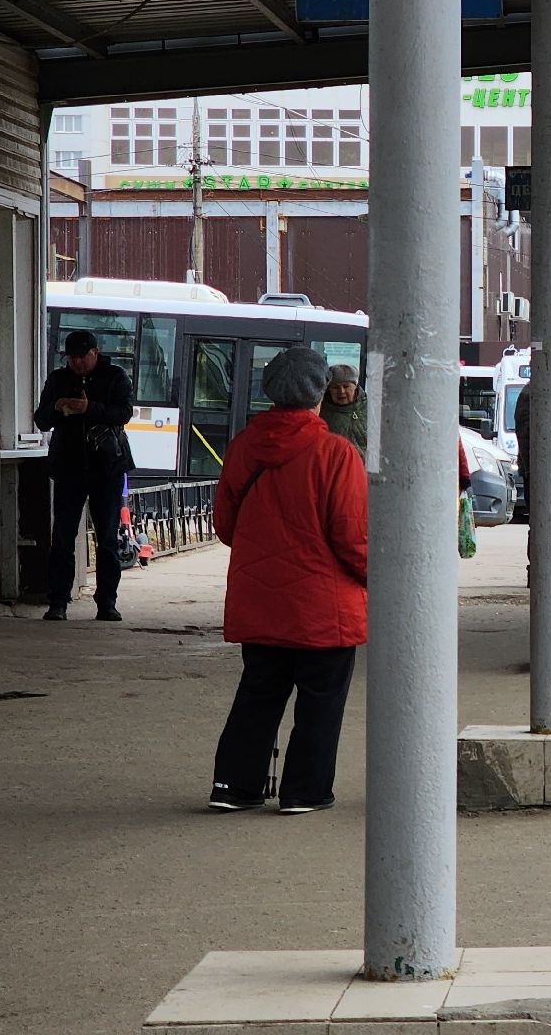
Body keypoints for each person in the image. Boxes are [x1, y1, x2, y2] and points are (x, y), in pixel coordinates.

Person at [208, 347, 368, 815]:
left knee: (258, 692)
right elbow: (353, 536)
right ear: (319, 395)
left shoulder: (242, 447)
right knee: (321, 701)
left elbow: (225, 526)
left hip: (260, 600)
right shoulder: (336, 453)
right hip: (325, 606)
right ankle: (304, 790)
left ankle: (234, 788)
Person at [34, 328, 135, 622]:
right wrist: (57, 407)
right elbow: (41, 420)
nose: (77, 363)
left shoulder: (114, 376)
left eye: (82, 357)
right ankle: (58, 602)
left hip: (107, 467)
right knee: (63, 536)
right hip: (69, 467)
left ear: (95, 353)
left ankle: (107, 603)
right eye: (72, 358)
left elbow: (124, 413)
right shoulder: (58, 379)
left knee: (106, 537)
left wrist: (90, 408)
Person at [319, 363, 369, 458]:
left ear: (355, 386)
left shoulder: (370, 409)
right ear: (328, 390)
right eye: (335, 387)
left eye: (346, 386)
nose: (341, 391)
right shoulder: (321, 413)